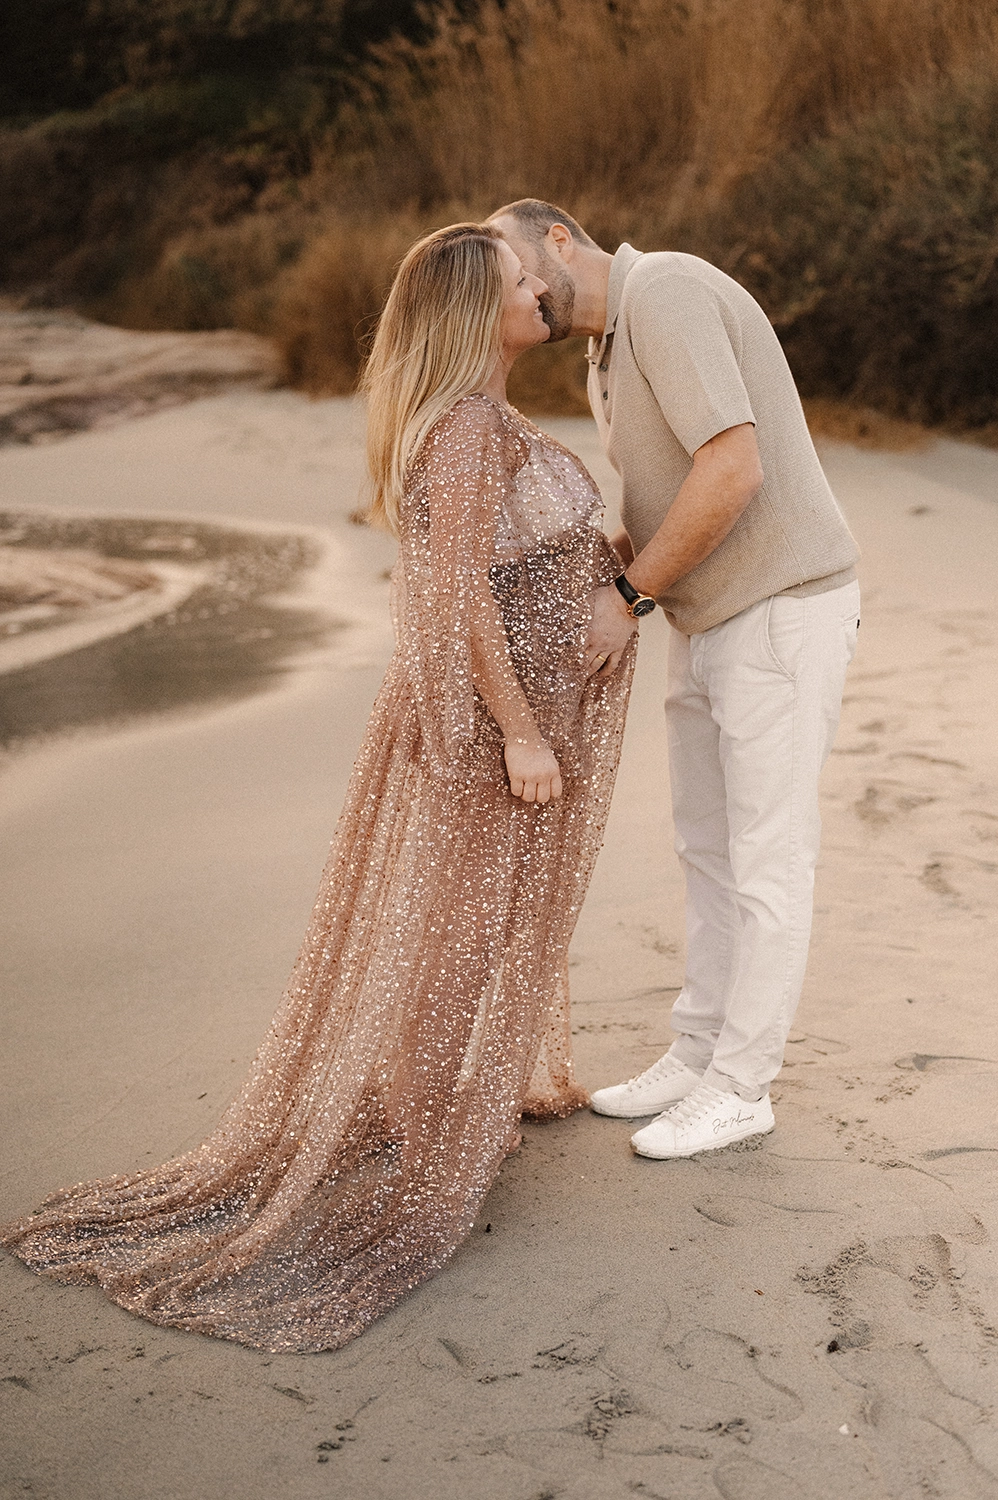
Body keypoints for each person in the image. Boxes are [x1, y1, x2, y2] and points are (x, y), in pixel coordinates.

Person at [1, 224, 634, 1353]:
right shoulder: (465, 434)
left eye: (533, 273)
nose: (539, 285)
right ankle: (431, 1131)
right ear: (467, 314)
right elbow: (463, 605)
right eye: (514, 280)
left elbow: (509, 563)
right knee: (458, 925)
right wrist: (522, 734)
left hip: (508, 721)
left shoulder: (483, 422)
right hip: (496, 730)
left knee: (471, 920)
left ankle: (433, 1111)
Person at [490, 199, 860, 1160]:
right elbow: (670, 493)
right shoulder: (606, 347)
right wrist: (598, 568)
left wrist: (628, 597)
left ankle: (742, 1087)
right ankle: (698, 1053)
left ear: (560, 236)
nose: (522, 291)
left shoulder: (669, 292)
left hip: (780, 607)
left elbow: (731, 470)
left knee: (768, 861)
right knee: (707, 848)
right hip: (709, 615)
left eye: (524, 267)